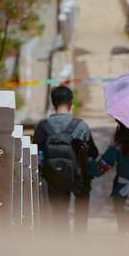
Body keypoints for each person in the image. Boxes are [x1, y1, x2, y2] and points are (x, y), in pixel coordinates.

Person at [33, 86, 98, 235]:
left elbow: (37, 153)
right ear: (70, 102)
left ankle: (63, 243)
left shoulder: (43, 127)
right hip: (78, 177)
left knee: (59, 212)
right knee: (82, 203)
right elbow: (93, 152)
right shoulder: (81, 126)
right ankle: (80, 239)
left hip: (54, 177)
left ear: (52, 102)